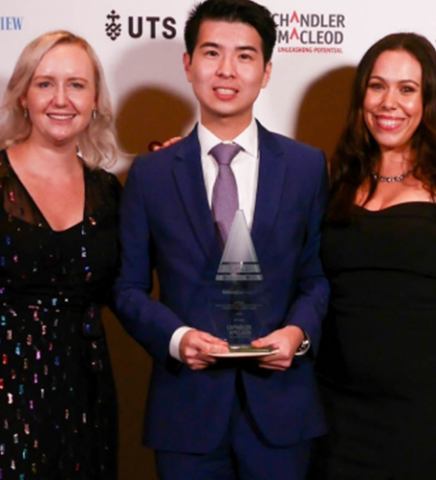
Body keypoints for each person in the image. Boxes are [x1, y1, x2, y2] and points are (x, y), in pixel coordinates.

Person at [113, 0, 329, 478]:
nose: (227, 70)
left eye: (245, 56)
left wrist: (297, 333)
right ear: (188, 65)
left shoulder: (306, 167)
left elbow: (315, 276)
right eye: (212, 53)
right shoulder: (149, 175)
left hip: (282, 410)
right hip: (185, 414)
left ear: (267, 70)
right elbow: (126, 288)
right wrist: (177, 338)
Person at [310, 33, 436, 479]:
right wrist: (195, 162)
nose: (390, 103)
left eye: (407, 89)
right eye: (377, 86)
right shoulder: (329, 178)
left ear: (430, 100)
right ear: (361, 94)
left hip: (433, 407)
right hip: (335, 403)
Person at [0, 31, 120, 480]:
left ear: (95, 101)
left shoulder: (109, 192)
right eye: (45, 83)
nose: (61, 99)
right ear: (23, 97)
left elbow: (128, 289)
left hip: (83, 401)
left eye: (76, 84)